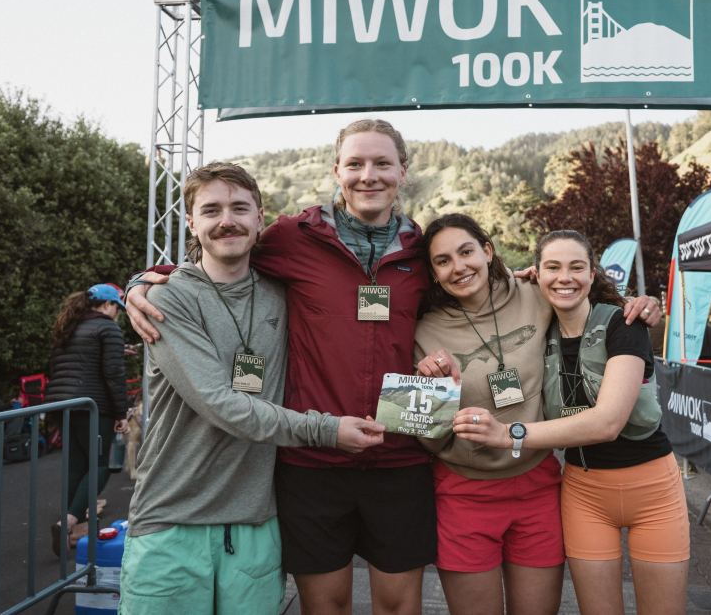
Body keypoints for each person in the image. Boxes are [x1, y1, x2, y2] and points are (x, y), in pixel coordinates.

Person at [126, 120, 664, 615]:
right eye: (355, 164)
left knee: (397, 608)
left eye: (382, 163)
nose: (369, 176)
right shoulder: (292, 239)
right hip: (314, 461)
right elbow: (223, 249)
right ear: (336, 171)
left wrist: (607, 298)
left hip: (400, 457)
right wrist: (144, 282)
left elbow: (486, 283)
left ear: (404, 172)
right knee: (326, 606)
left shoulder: (423, 251)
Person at [119, 162, 385, 614]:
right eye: (211, 210)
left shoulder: (285, 292)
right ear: (191, 222)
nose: (227, 220)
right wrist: (326, 430)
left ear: (260, 218)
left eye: (240, 208)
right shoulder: (167, 297)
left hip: (256, 524)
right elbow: (221, 404)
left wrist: (513, 284)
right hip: (172, 521)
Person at [413, 216, 663, 615]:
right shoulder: (422, 331)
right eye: (443, 261)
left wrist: (642, 306)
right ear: (433, 272)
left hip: (538, 488)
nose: (458, 267)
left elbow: (580, 294)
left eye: (466, 252)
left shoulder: (533, 291)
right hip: (463, 493)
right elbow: (428, 439)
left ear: (487, 251)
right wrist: (442, 391)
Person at [46, 284, 132, 554]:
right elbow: (113, 375)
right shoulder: (107, 327)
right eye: (118, 307)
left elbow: (74, 364)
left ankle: (76, 530)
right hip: (94, 406)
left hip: (63, 404)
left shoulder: (68, 326)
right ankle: (69, 522)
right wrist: (122, 413)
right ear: (108, 305)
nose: (118, 313)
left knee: (76, 466)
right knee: (104, 464)